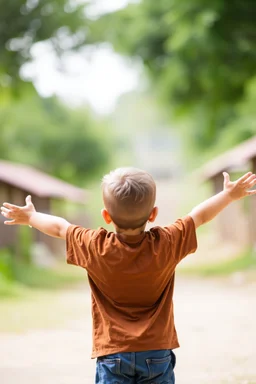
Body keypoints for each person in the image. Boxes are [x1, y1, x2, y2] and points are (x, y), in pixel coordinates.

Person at [1, 168, 256, 384]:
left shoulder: (95, 245)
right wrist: (228, 195)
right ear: (153, 214)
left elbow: (59, 228)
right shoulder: (167, 242)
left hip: (113, 353)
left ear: (106, 216)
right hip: (157, 351)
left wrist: (31, 216)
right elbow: (199, 216)